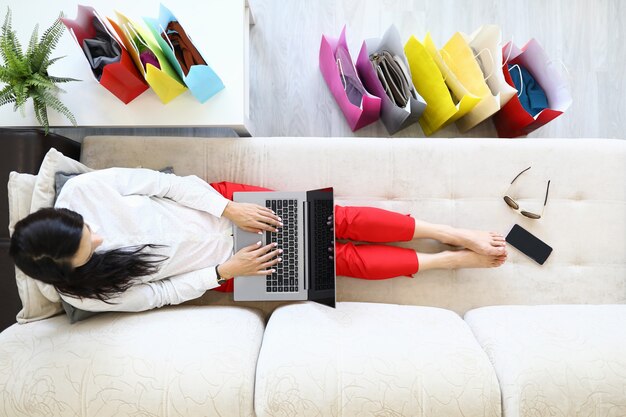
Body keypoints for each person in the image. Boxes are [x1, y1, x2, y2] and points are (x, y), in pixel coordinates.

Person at [9, 168, 507, 313]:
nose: (97, 239)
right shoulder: (86, 292)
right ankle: (447, 263)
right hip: (230, 267)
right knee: (339, 262)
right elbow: (158, 295)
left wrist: (229, 207)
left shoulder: (83, 189)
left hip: (221, 207)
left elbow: (164, 184)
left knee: (338, 220)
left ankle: (449, 233)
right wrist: (226, 273)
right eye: (88, 251)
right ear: (69, 273)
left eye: (85, 230)